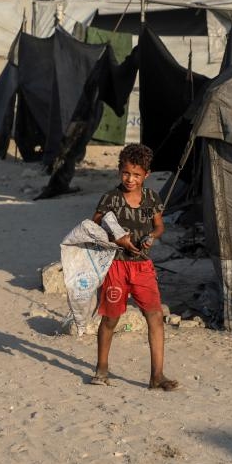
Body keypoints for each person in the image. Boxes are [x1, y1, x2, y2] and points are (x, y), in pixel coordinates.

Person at [91, 143, 178, 391]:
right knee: (110, 319)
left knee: (155, 317)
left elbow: (159, 225)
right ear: (120, 170)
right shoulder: (110, 199)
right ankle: (101, 370)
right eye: (126, 173)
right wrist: (118, 238)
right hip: (116, 266)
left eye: (137, 175)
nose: (131, 179)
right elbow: (94, 227)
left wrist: (152, 236)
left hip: (142, 267)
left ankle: (157, 376)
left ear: (146, 175)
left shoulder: (152, 198)